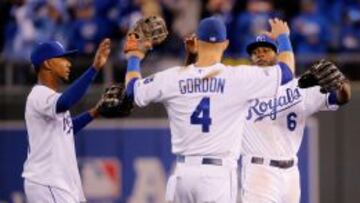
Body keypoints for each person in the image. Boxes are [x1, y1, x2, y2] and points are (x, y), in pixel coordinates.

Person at [123, 16, 294, 203]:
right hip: (217, 175)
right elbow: (285, 73)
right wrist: (283, 37)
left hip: (182, 174)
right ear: (226, 44)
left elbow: (132, 91)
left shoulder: (173, 77)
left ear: (197, 41)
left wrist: (134, 57)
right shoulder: (238, 77)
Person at [239, 34, 351, 203]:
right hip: (258, 171)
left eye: (265, 50)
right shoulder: (241, 91)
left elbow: (342, 98)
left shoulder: (299, 88)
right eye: (255, 52)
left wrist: (342, 84)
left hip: (290, 174)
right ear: (250, 59)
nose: (260, 54)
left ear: (277, 56)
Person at [22, 38, 111, 203]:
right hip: (47, 181)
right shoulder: (38, 94)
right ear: (47, 63)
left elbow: (67, 129)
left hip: (61, 183)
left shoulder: (51, 98)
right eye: (62, 58)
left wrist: (96, 111)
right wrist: (94, 68)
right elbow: (64, 102)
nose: (68, 63)